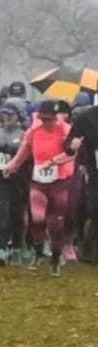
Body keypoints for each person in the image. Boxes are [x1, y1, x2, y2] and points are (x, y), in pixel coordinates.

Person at [4, 100, 75, 277]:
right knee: (37, 218)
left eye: (50, 119)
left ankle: (55, 260)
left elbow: (72, 153)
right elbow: (24, 151)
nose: (46, 123)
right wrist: (12, 166)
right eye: (43, 119)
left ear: (56, 118)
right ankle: (38, 253)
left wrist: (54, 161)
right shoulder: (33, 132)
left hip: (59, 182)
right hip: (38, 182)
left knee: (56, 224)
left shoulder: (65, 130)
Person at [0, 103, 30, 265]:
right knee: (1, 212)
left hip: (18, 180)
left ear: (18, 116)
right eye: (5, 114)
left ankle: (17, 247)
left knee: (17, 214)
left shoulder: (25, 134)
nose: (7, 117)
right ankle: (0, 248)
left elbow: (29, 158)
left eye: (11, 114)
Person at [65, 95, 98, 265]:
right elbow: (69, 143)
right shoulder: (87, 118)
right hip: (95, 172)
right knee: (94, 211)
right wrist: (73, 145)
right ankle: (88, 249)